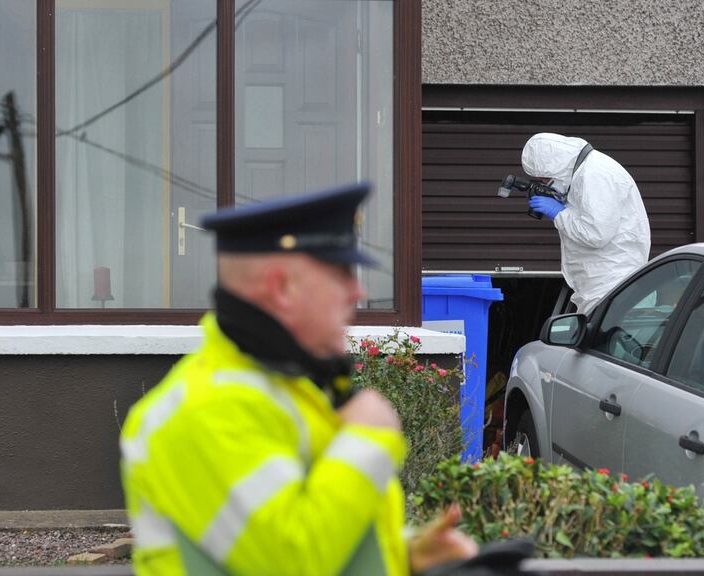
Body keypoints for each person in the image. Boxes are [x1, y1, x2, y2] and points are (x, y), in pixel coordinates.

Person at [120, 183, 478, 575]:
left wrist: (405, 556)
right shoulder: (203, 409)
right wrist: (366, 441)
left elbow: (315, 532)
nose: (357, 292)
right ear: (281, 288)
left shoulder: (287, 388)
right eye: (341, 273)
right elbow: (292, 560)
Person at [522, 132, 651, 314]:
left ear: (556, 167)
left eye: (544, 179)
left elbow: (596, 234)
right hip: (601, 281)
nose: (545, 183)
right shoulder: (585, 172)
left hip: (611, 281)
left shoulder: (595, 175)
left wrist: (559, 213)